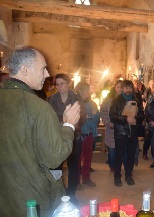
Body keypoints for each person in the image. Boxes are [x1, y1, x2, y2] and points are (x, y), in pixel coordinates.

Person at [0, 46, 80, 216]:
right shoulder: (38, 107)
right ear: (24, 69)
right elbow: (54, 157)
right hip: (31, 199)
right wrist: (69, 125)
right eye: (43, 69)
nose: (46, 75)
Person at [47, 73, 86, 206]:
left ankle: (71, 194)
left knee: (73, 167)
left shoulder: (76, 98)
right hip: (57, 137)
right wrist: (63, 122)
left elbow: (82, 118)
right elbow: (48, 118)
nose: (59, 87)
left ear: (68, 84)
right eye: (57, 84)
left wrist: (70, 124)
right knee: (55, 165)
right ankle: (57, 192)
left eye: (62, 83)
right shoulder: (51, 99)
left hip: (74, 137)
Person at [109, 80, 145, 187]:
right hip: (120, 132)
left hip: (133, 132)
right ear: (122, 89)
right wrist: (126, 119)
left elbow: (142, 115)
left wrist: (136, 120)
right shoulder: (116, 100)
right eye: (126, 88)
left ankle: (129, 175)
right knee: (119, 155)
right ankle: (117, 176)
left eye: (130, 88)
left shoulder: (137, 100)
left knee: (131, 155)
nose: (128, 90)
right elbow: (112, 116)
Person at [75, 81, 100, 187]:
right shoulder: (75, 102)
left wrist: (92, 116)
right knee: (77, 159)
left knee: (88, 157)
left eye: (88, 89)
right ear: (80, 91)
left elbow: (97, 118)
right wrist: (90, 116)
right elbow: (78, 118)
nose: (88, 92)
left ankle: (86, 178)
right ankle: (76, 181)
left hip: (89, 132)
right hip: (78, 134)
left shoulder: (92, 103)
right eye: (86, 90)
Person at [100, 80, 123, 173]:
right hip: (111, 127)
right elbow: (103, 110)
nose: (120, 89)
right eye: (118, 87)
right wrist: (107, 121)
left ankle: (118, 166)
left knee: (121, 148)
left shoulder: (126, 98)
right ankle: (112, 166)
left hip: (122, 128)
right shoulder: (108, 99)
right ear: (115, 88)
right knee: (112, 149)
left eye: (122, 87)